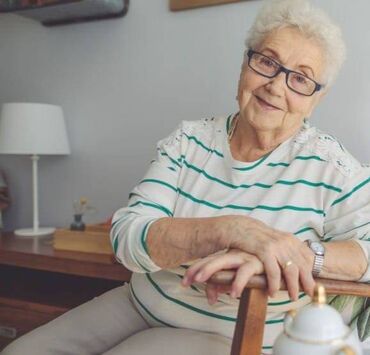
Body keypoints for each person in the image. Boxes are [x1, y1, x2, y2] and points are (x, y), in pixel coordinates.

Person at [3, 0, 370, 354]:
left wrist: (295, 254)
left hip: (232, 329)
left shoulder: (333, 168)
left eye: (300, 79)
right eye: (267, 62)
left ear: (316, 98)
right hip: (141, 301)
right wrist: (230, 230)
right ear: (244, 64)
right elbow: (128, 234)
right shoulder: (188, 141)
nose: (276, 86)